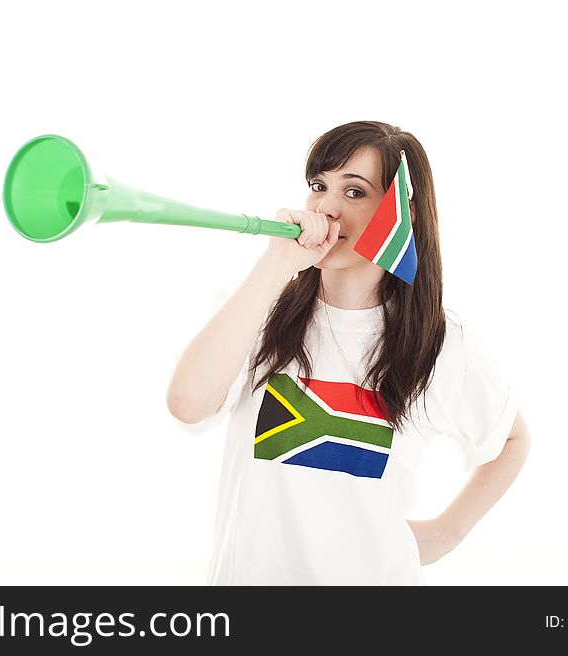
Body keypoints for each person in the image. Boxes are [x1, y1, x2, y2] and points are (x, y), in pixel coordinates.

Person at [166, 120, 531, 585]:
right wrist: (276, 262)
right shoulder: (256, 306)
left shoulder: (442, 344)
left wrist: (446, 533)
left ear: (403, 215)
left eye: (355, 192)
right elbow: (187, 406)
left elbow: (512, 441)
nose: (326, 207)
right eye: (319, 186)